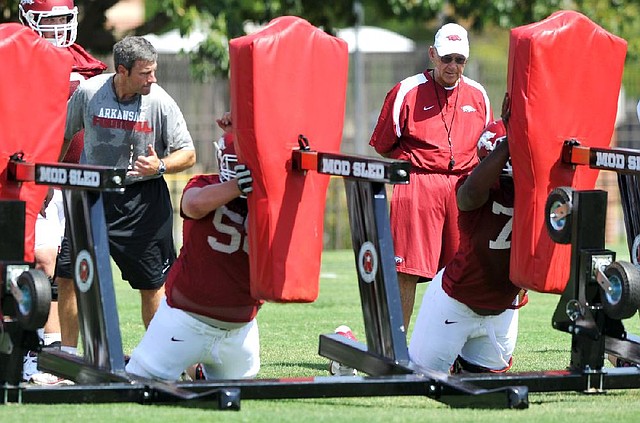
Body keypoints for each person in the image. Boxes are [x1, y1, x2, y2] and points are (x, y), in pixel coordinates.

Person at [61, 35, 196, 355]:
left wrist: (159, 165)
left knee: (152, 284)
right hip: (91, 195)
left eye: (154, 71)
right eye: (145, 73)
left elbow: (188, 153)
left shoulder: (159, 101)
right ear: (122, 71)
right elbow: (63, 136)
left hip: (141, 200)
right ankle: (66, 358)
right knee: (69, 274)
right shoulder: (90, 93)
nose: (153, 78)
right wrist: (53, 182)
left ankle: (157, 359)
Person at [369, 23, 492, 331]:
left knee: (462, 271)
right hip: (418, 185)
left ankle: (451, 347)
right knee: (406, 270)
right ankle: (395, 345)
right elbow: (384, 145)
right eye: (447, 58)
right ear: (433, 55)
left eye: (459, 60)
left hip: (463, 189)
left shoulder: (478, 95)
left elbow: (486, 147)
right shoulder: (407, 91)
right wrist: (418, 162)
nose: (452, 66)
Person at [126, 114, 261, 381]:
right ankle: (192, 367)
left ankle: (194, 369)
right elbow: (194, 206)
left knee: (137, 383)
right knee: (138, 383)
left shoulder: (214, 186)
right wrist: (238, 187)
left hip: (227, 329)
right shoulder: (255, 198)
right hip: (190, 322)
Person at [18, 0, 107, 385]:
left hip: (69, 181)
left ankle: (53, 351)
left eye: (61, 19)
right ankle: (35, 348)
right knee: (37, 262)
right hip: (26, 173)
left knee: (61, 269)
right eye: (47, 20)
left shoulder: (85, 70)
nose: (55, 28)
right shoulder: (15, 59)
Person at [408, 119, 526, 374]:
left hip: (503, 310)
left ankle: (462, 360)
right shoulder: (473, 187)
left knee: (485, 383)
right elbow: (469, 195)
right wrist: (510, 143)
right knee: (422, 379)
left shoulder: (534, 193)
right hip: (456, 302)